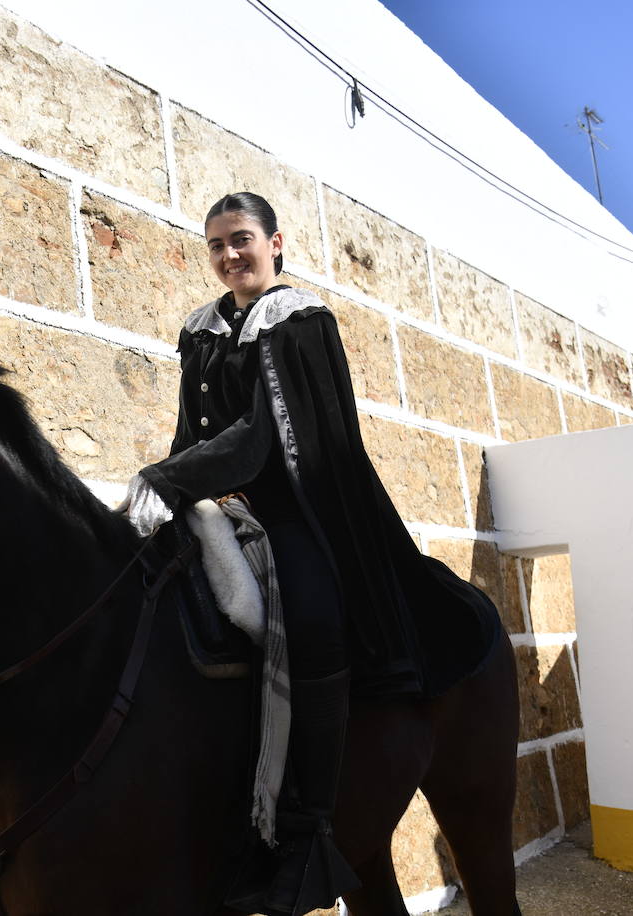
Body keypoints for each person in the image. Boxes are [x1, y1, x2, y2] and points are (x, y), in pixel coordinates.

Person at [120, 192, 499, 915]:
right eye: (217, 246)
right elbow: (189, 433)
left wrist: (172, 477)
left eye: (241, 240)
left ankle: (306, 830)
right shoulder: (200, 331)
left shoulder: (299, 319)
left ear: (275, 241)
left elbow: (265, 435)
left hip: (303, 510)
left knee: (314, 613)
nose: (230, 256)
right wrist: (166, 494)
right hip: (219, 508)